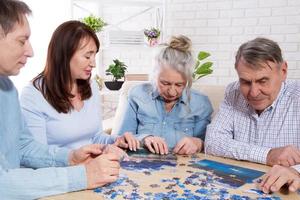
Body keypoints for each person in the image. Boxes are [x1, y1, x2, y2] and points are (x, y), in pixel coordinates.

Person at [0, 0, 122, 199]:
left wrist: (70, 157)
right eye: (22, 41)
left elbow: (23, 146)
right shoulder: (31, 92)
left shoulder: (7, 89)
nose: (30, 51)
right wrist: (83, 175)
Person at [20, 20, 132, 150]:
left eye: (94, 56)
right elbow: (37, 154)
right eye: (87, 56)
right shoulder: (33, 94)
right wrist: (77, 161)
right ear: (65, 55)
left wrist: (117, 140)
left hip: (93, 165)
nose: (93, 64)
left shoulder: (91, 86)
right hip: (62, 169)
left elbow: (95, 137)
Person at [205, 37, 300, 167]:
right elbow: (212, 142)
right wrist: (267, 155)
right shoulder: (233, 92)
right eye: (245, 82)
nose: (254, 93)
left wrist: (296, 172)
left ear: (283, 71)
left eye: (263, 81)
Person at [117, 35, 213, 155]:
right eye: (165, 83)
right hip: (140, 165)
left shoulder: (201, 103)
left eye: (179, 85)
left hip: (182, 169)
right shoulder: (137, 94)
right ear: (154, 76)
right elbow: (122, 138)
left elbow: (209, 144)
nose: (172, 92)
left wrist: (198, 143)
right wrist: (144, 139)